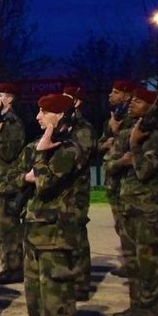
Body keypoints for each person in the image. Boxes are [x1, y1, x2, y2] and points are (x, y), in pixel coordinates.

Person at [20, 93, 82, 316]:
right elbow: (19, 178)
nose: (38, 117)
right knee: (35, 296)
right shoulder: (41, 147)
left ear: (59, 117)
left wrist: (41, 158)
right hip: (36, 231)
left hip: (56, 234)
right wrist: (30, 173)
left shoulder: (69, 149)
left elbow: (44, 183)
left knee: (56, 297)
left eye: (44, 112)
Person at [109, 87, 158, 316]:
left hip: (147, 207)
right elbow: (110, 165)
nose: (132, 103)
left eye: (139, 100)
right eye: (132, 99)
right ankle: (137, 304)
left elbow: (144, 171)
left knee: (149, 261)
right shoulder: (128, 130)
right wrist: (123, 158)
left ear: (151, 106)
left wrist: (134, 146)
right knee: (133, 261)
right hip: (127, 204)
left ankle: (152, 308)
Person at [0, 83, 26, 284]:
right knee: (0, 229)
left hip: (8, 184)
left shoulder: (13, 123)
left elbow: (10, 153)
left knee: (9, 229)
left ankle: (15, 268)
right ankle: (7, 267)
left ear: (9, 98)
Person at [62, 86, 97, 301]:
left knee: (77, 235)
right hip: (65, 189)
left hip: (77, 189)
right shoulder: (66, 126)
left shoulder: (82, 128)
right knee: (66, 234)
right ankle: (71, 277)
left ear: (76, 102)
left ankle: (81, 283)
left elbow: (79, 158)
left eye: (67, 98)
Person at [100, 80, 136, 277]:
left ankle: (133, 263)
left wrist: (116, 130)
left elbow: (129, 145)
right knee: (120, 224)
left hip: (126, 180)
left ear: (126, 94)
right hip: (112, 178)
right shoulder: (114, 117)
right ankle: (129, 261)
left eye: (115, 92)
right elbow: (101, 143)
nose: (110, 95)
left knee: (129, 223)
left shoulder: (134, 118)